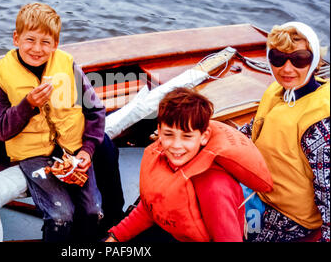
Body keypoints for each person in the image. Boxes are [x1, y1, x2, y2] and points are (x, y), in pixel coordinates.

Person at [0, 2, 124, 242]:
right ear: (16, 38)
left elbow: (95, 110)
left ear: (56, 44)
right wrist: (27, 105)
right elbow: (0, 129)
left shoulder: (68, 66)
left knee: (94, 211)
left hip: (74, 151)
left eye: (45, 42)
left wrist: (87, 151)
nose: (37, 49)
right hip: (34, 155)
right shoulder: (0, 76)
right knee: (61, 215)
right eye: (30, 40)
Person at [106, 87, 273, 242]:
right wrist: (115, 237)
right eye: (169, 134)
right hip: (172, 230)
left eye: (187, 136)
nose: (176, 145)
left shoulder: (215, 188)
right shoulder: (161, 157)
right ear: (159, 131)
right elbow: (150, 208)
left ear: (204, 136)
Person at [239, 22, 330, 242]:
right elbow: (251, 131)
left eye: (299, 59)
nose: (287, 69)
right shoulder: (278, 92)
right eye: (278, 58)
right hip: (258, 188)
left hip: (287, 214)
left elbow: (328, 192)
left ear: (315, 60)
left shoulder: (319, 124)